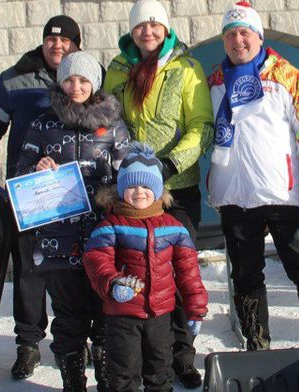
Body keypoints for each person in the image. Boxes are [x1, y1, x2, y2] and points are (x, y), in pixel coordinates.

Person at [206, 1, 299, 377]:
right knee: (245, 276)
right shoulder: (214, 82)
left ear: (259, 36)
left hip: (284, 195)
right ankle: (256, 347)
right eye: (230, 34)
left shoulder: (289, 76)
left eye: (244, 32)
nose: (237, 40)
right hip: (234, 197)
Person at [0, 14, 82, 379]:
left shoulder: (85, 76)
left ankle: (77, 338)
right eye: (51, 39)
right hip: (30, 190)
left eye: (65, 41)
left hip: (74, 193)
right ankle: (28, 344)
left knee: (75, 268)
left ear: (77, 45)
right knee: (30, 267)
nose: (57, 46)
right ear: (43, 42)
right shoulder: (17, 79)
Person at [102, 0, 213, 388]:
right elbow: (107, 123)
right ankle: (134, 356)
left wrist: (169, 165)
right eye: (140, 26)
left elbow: (202, 125)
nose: (147, 31)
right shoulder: (117, 71)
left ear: (167, 29)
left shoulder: (186, 69)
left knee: (177, 273)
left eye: (155, 24)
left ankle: (180, 356)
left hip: (176, 190)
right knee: (132, 271)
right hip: (131, 192)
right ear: (131, 31)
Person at [14, 51, 130, 391]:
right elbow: (20, 174)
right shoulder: (42, 124)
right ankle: (73, 383)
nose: (75, 86)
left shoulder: (113, 126)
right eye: (68, 79)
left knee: (107, 317)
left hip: (104, 240)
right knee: (68, 320)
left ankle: (108, 383)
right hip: (56, 240)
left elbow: (127, 177)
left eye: (83, 79)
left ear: (94, 83)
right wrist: (37, 172)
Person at [83, 143, 208, 392]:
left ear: (158, 190)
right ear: (120, 190)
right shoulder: (110, 226)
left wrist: (196, 307)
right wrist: (112, 283)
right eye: (131, 186)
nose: (139, 192)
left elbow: (188, 271)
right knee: (123, 371)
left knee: (160, 368)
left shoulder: (172, 227)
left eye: (146, 186)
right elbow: (97, 260)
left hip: (161, 315)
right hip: (122, 314)